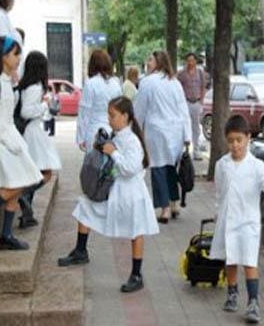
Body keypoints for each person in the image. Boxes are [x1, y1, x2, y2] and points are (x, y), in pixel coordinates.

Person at [58, 96, 159, 293]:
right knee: (84, 206)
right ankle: (80, 250)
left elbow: (130, 168)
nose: (109, 119)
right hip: (114, 191)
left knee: (136, 230)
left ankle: (136, 274)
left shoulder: (132, 140)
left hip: (131, 194)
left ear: (125, 116)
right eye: (109, 115)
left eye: (113, 116)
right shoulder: (117, 135)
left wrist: (113, 152)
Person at [209, 115, 264, 324]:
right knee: (230, 258)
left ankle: (253, 302)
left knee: (249, 261)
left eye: (239, 140)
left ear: (248, 138)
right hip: (227, 219)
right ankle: (232, 293)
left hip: (248, 221)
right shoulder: (222, 164)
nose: (235, 145)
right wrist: (217, 212)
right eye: (231, 140)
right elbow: (220, 191)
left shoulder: (257, 165)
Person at [0, 36, 43, 250]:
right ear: (3, 57)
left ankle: (6, 236)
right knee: (18, 182)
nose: (19, 58)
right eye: (15, 53)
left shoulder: (7, 81)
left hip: (10, 137)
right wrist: (6, 139)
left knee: (23, 180)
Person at [134, 50, 192, 223]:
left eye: (150, 59)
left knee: (158, 168)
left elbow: (140, 110)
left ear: (159, 62)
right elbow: (183, 110)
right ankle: (174, 203)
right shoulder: (174, 83)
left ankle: (164, 208)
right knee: (170, 168)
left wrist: (135, 130)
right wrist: (187, 135)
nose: (147, 62)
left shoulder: (147, 82)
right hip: (175, 132)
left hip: (156, 131)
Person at [18, 51, 62, 228]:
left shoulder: (26, 86)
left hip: (33, 131)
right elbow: (26, 111)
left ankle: (27, 213)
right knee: (45, 172)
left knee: (35, 172)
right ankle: (23, 196)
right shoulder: (35, 88)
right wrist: (45, 104)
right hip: (33, 132)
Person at [76, 49, 121, 152]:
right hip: (112, 132)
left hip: (94, 132)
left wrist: (81, 137)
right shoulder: (116, 84)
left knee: (94, 166)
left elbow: (84, 113)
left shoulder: (91, 84)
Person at [177, 53, 206, 160]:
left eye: (192, 60)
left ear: (195, 61)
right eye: (188, 60)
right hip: (186, 103)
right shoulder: (181, 74)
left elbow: (203, 86)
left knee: (196, 128)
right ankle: (185, 150)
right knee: (184, 126)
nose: (190, 62)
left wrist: (201, 101)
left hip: (197, 102)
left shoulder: (200, 72)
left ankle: (196, 151)